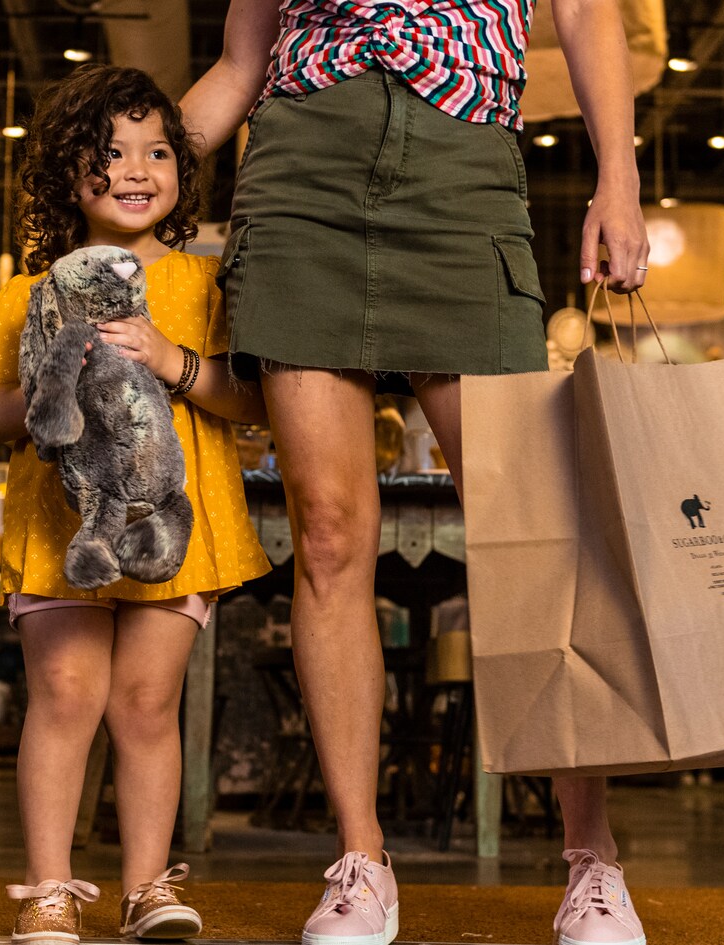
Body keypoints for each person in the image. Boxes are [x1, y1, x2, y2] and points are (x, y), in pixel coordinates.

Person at [180, 3, 651, 945]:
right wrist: (122, 160)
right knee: (328, 530)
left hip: (462, 168)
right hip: (302, 172)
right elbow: (241, 60)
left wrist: (620, 173)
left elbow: (586, 8)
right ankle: (362, 861)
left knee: (539, 532)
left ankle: (593, 858)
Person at [0, 65, 273, 945]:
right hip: (63, 527)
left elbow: (254, 401)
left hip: (178, 526)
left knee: (145, 702)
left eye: (156, 150)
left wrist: (171, 360)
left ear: (181, 171)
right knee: (63, 691)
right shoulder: (32, 288)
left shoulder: (209, 285)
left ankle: (146, 887)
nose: (136, 168)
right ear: (67, 176)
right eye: (110, 152)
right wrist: (54, 381)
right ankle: (49, 889)